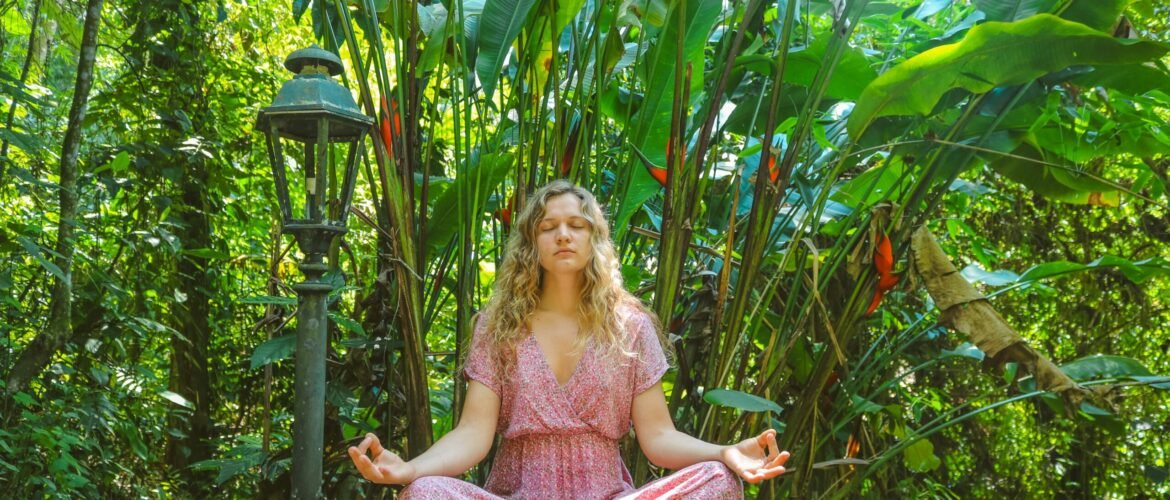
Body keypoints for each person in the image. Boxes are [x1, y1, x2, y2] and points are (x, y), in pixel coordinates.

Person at [349, 180, 789, 498]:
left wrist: (726, 452)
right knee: (426, 493)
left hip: (608, 496)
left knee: (717, 480)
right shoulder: (498, 324)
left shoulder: (629, 325)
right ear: (531, 242)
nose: (563, 234)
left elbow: (657, 437)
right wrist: (410, 468)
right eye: (548, 226)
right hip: (515, 495)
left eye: (577, 225)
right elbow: (472, 434)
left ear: (594, 239)